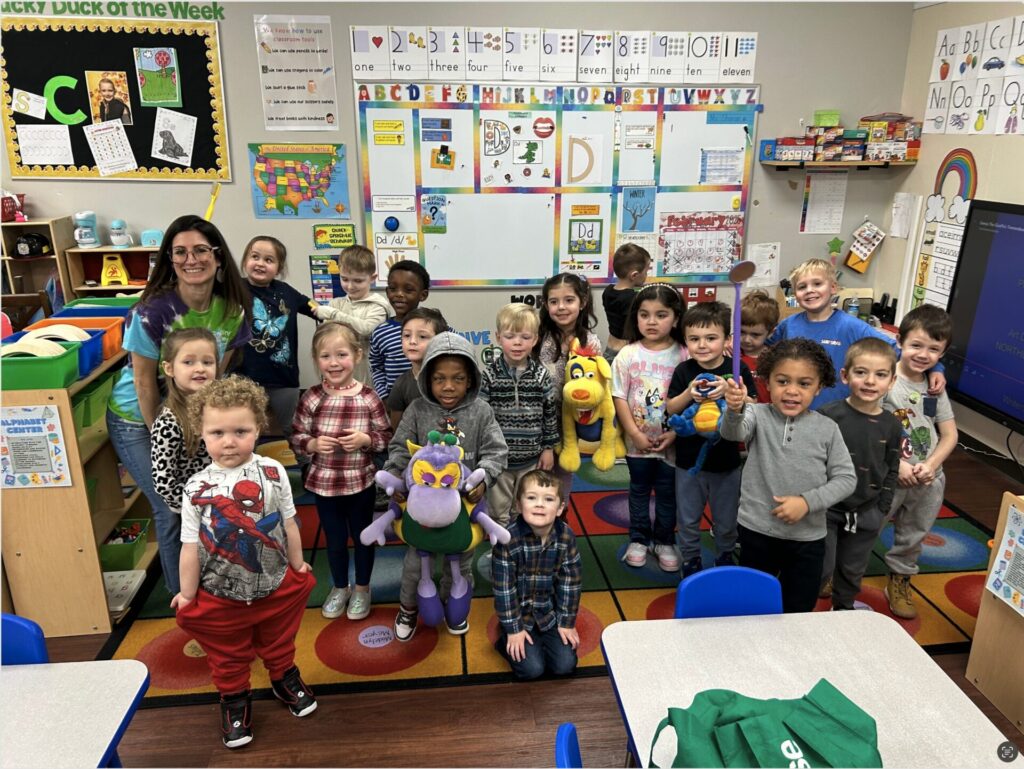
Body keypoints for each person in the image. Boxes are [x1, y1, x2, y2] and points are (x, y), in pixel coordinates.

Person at [106, 214, 251, 595]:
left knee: (208, 504)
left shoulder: (231, 310)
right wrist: (165, 435)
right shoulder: (152, 311)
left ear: (218, 257)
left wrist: (210, 430)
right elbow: (142, 382)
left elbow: (218, 375)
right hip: (140, 418)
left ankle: (215, 589)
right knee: (173, 511)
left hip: (194, 418)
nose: (192, 259)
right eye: (181, 252)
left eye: (201, 250)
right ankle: (184, 605)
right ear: (170, 260)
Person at [173, 376, 316, 749]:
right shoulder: (195, 488)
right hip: (220, 591)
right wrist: (187, 594)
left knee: (279, 638)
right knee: (227, 653)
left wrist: (298, 565)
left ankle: (284, 675)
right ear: (201, 433)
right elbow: (189, 546)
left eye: (240, 430)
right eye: (217, 432)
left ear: (258, 429)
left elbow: (288, 522)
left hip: (274, 583)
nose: (229, 441)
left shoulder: (273, 471)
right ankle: (234, 699)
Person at [385, 332, 508, 641]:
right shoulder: (416, 409)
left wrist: (484, 477)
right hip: (421, 509)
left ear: (470, 381)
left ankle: (452, 606)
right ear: (427, 379)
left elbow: (497, 451)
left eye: (458, 379)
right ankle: (409, 608)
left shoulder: (481, 411)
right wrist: (398, 479)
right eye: (439, 379)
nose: (449, 386)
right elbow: (399, 449)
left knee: (460, 563)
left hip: (464, 511)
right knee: (415, 563)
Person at [720, 338, 856, 612]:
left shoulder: (827, 429)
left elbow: (846, 479)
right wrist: (734, 410)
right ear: (767, 382)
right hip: (757, 530)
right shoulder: (756, 414)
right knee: (752, 603)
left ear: (819, 387)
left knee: (798, 608)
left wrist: (807, 502)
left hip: (807, 539)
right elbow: (731, 433)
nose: (792, 391)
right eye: (783, 381)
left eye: (804, 384)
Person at [290, 322, 392, 621]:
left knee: (363, 537)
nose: (333, 363)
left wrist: (365, 440)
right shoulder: (311, 397)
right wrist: (311, 443)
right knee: (334, 540)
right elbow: (296, 437)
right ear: (316, 359)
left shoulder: (369, 397)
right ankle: (339, 586)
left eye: (341, 354)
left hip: (360, 482)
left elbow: (385, 436)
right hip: (324, 485)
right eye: (325, 356)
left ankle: (362, 588)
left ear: (357, 356)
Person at [766, 259, 945, 408]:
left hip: (838, 413)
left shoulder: (852, 326)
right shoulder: (788, 325)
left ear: (833, 287)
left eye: (817, 284)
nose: (810, 290)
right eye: (802, 287)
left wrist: (935, 368)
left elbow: (896, 350)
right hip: (794, 408)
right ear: (795, 294)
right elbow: (764, 348)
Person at [667, 301, 756, 577]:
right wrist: (689, 394)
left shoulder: (737, 369)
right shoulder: (684, 371)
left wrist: (734, 396)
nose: (702, 345)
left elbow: (754, 405)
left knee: (727, 519)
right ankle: (691, 558)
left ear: (727, 340)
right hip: (688, 462)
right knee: (688, 518)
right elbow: (670, 408)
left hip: (727, 461)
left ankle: (726, 554)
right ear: (686, 341)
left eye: (711, 338)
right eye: (694, 339)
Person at [882, 304, 958, 619]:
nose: (924, 354)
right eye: (916, 345)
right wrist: (895, 464)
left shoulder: (934, 388)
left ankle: (899, 579)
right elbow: (868, 428)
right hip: (887, 472)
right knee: (864, 526)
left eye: (934, 349)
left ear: (943, 352)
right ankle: (841, 573)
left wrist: (932, 465)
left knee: (915, 531)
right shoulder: (882, 378)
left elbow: (949, 435)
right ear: (899, 342)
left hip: (927, 478)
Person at [817, 338, 903, 610]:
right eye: (861, 372)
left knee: (853, 569)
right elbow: (812, 462)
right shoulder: (827, 416)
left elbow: (892, 466)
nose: (869, 381)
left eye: (880, 375)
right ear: (845, 375)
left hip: (867, 511)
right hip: (826, 510)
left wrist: (882, 507)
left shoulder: (892, 425)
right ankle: (802, 612)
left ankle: (843, 609)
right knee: (822, 565)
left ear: (891, 381)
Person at [612, 284, 687, 572]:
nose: (652, 321)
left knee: (669, 493)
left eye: (661, 314)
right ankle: (639, 539)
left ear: (676, 318)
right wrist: (634, 433)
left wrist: (675, 433)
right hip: (638, 443)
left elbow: (693, 399)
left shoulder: (684, 354)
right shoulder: (627, 355)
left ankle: (664, 540)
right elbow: (619, 396)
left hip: (673, 442)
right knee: (639, 491)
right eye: (645, 315)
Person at [492, 469, 581, 680]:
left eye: (548, 499)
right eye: (531, 498)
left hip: (548, 614)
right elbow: (504, 590)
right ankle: (504, 638)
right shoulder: (507, 539)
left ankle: (539, 642)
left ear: (560, 509)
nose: (539, 504)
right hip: (518, 616)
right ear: (518, 505)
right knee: (532, 670)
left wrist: (566, 622)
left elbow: (570, 583)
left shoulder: (566, 536)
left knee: (565, 665)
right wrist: (514, 629)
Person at [479, 303, 559, 526]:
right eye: (510, 336)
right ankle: (500, 553)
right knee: (497, 513)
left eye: (524, 337)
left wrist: (548, 448)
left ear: (534, 339)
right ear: (498, 337)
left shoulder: (542, 375)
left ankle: (519, 551)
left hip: (531, 459)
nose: (517, 342)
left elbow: (549, 414)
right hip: (498, 461)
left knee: (525, 508)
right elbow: (482, 417)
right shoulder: (489, 376)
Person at [235, 235, 320, 443]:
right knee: (243, 433)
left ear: (279, 268)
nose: (260, 263)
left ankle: (305, 472)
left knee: (291, 431)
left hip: (284, 379)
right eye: (255, 257)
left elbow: (316, 309)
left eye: (269, 260)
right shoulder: (234, 289)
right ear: (245, 260)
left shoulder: (286, 292)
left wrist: (342, 314)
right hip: (242, 378)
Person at [537, 272, 603, 497]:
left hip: (571, 421)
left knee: (565, 471)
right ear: (545, 305)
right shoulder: (539, 337)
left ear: (582, 302)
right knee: (539, 473)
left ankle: (559, 514)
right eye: (554, 302)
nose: (561, 307)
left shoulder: (590, 341)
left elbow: (597, 382)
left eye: (569, 300)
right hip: (541, 419)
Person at [151, 328, 217, 533]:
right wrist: (198, 507)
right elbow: (164, 482)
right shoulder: (168, 422)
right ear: (169, 368)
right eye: (188, 362)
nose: (200, 369)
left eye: (207, 362)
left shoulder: (221, 407)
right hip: (197, 513)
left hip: (228, 504)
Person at [317, 245, 393, 384]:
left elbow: (365, 329)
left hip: (366, 377)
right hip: (337, 374)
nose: (350, 286)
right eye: (345, 279)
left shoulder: (378, 306)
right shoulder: (336, 304)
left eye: (358, 281)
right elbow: (327, 338)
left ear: (372, 278)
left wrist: (333, 314)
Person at [369, 260, 431, 401]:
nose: (399, 294)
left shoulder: (433, 327)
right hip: (395, 404)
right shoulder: (380, 332)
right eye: (393, 288)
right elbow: (377, 367)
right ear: (387, 291)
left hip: (430, 402)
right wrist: (384, 397)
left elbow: (454, 348)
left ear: (423, 295)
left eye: (408, 290)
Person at [387, 307, 448, 431]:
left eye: (422, 336)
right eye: (407, 335)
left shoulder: (451, 381)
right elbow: (396, 433)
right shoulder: (401, 385)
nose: (413, 341)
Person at [602, 243, 651, 363]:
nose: (646, 275)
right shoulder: (633, 298)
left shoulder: (608, 291)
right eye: (646, 271)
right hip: (626, 354)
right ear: (634, 275)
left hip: (609, 350)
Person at [739, 289, 779, 403]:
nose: (746, 339)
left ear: (771, 332)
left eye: (755, 335)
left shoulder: (775, 358)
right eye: (741, 332)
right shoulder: (730, 354)